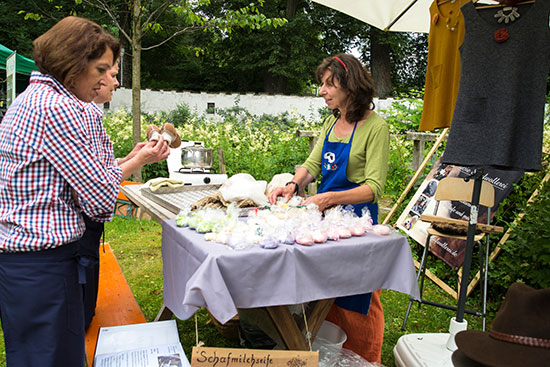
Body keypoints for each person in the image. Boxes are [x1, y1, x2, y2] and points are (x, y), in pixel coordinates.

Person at [0, 16, 169, 367]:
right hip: (44, 264)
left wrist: (130, 158)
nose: (106, 80)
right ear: (73, 65)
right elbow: (99, 199)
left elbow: (73, 174)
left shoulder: (34, 98)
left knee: (32, 355)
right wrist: (139, 162)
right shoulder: (62, 109)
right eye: (100, 69)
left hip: (23, 264)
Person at [269, 53, 390, 363]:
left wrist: (327, 198)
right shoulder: (331, 121)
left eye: (328, 83)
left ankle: (365, 358)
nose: (321, 90)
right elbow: (312, 165)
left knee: (358, 293)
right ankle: (329, 353)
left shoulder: (376, 128)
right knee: (326, 290)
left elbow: (373, 188)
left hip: (358, 225)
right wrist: (293, 185)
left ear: (350, 85)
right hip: (326, 223)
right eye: (321, 84)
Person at [79, 60, 155, 329]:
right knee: (81, 307)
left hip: (84, 226)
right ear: (94, 78)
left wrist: (133, 156)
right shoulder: (84, 113)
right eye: (111, 75)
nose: (116, 82)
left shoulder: (90, 112)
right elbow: (97, 181)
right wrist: (140, 160)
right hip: (81, 224)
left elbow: (101, 168)